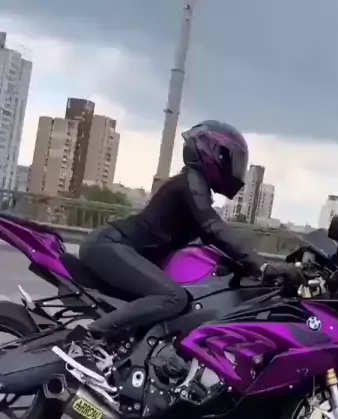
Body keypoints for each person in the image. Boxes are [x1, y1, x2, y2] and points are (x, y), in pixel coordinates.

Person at [58, 120, 305, 383]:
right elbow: (214, 228)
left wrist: (253, 270)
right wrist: (264, 266)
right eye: (233, 160)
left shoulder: (196, 189)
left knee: (174, 300)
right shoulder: (191, 183)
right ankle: (86, 338)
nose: (236, 168)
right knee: (173, 297)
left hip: (118, 249)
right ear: (215, 154)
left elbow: (215, 240)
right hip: (109, 246)